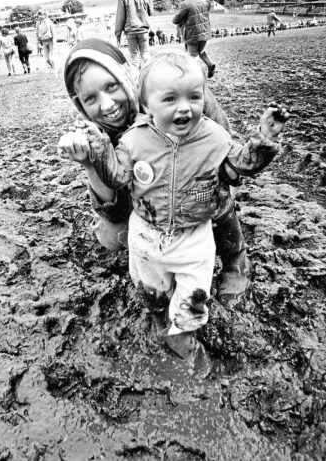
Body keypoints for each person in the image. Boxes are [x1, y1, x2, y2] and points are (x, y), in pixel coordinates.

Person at [79, 51, 288, 360]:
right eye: (170, 99)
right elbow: (117, 176)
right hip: (146, 233)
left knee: (194, 294)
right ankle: (159, 315)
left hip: (196, 233)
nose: (184, 107)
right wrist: (98, 150)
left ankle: (183, 331)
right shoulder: (134, 139)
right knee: (152, 288)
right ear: (146, 105)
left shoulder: (213, 134)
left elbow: (243, 163)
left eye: (194, 96)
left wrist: (263, 140)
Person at [58, 39, 261, 315]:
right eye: (90, 98)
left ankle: (235, 258)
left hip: (201, 187)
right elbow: (115, 211)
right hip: (150, 203)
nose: (106, 105)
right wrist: (90, 165)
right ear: (79, 104)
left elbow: (229, 146)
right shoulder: (95, 136)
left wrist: (220, 184)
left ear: (127, 76)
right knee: (112, 233)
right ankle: (163, 267)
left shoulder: (176, 89)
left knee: (215, 198)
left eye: (111, 86)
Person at [172, 0, 216, 78]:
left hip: (192, 33)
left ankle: (195, 77)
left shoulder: (186, 3)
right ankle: (210, 64)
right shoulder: (206, 1)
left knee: (193, 55)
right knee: (201, 50)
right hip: (205, 31)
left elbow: (175, 20)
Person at [115, 0, 153, 68]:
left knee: (134, 58)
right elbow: (150, 12)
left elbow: (120, 17)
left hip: (130, 31)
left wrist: (118, 34)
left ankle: (135, 80)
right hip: (143, 30)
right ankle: (151, 75)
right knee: (145, 54)